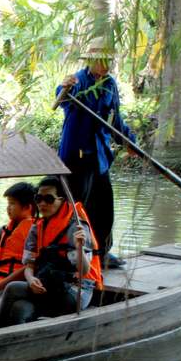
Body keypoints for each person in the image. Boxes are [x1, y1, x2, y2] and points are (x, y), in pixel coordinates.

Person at [56, 36, 135, 269]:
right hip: (78, 155)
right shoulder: (78, 80)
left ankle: (101, 252)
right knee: (77, 207)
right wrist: (64, 88)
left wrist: (129, 141)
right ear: (91, 61)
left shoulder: (110, 84)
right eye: (102, 60)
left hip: (100, 155)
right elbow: (62, 98)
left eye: (109, 61)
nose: (106, 65)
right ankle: (72, 255)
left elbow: (115, 118)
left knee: (103, 207)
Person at [0, 177, 101, 329]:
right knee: (20, 308)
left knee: (12, 288)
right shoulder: (37, 227)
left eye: (49, 199)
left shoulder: (76, 228)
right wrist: (31, 280)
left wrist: (79, 248)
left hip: (76, 289)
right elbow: (30, 265)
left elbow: (84, 271)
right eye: (39, 198)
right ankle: (0, 341)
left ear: (62, 200)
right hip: (48, 283)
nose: (42, 203)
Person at [0, 181, 37, 303]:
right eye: (8, 204)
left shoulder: (35, 231)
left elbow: (30, 267)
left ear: (27, 207)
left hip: (11, 287)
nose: (8, 208)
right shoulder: (3, 230)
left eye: (12, 204)